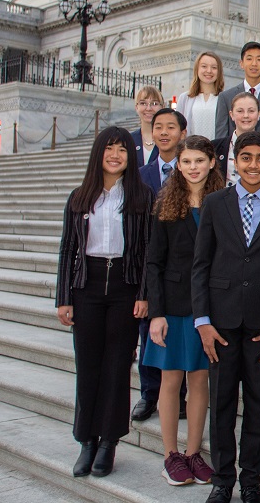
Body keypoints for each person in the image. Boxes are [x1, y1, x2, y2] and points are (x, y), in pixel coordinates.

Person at [191, 131, 260, 503]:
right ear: (234, 161)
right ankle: (223, 480)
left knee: (257, 403)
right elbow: (200, 265)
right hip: (220, 323)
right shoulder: (215, 204)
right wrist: (202, 321)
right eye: (247, 157)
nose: (254, 165)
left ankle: (251, 480)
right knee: (220, 403)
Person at [56, 127, 153, 478]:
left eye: (122, 150)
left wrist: (143, 294)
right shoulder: (80, 197)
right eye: (109, 148)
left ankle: (110, 441)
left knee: (116, 366)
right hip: (88, 286)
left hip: (125, 287)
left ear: (131, 157)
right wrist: (64, 298)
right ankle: (87, 439)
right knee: (89, 365)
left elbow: (146, 252)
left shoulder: (141, 198)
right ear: (99, 153)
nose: (115, 155)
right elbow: (68, 248)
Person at [144, 135, 223, 486]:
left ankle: (193, 452)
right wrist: (156, 313)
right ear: (178, 164)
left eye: (199, 161)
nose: (193, 168)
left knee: (201, 379)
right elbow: (153, 262)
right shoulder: (165, 204)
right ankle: (170, 455)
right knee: (171, 379)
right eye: (186, 161)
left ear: (212, 162)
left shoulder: (223, 202)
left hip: (208, 306)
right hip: (173, 307)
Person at [134, 108, 188, 423]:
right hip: (150, 264)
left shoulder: (189, 171)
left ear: (182, 133)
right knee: (149, 331)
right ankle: (148, 393)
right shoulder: (141, 175)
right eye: (158, 127)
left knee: (177, 333)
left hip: (179, 267)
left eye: (171, 127)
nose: (164, 132)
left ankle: (177, 396)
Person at [215, 42, 260, 140]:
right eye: (249, 59)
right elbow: (221, 136)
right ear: (241, 63)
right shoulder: (226, 97)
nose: (254, 64)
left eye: (259, 59)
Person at [213, 92, 260, 185]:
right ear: (231, 115)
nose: (246, 115)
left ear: (259, 114)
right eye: (240, 111)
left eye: (251, 111)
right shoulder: (215, 147)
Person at [177, 52, 224, 140]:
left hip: (216, 150)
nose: (209, 71)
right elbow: (178, 128)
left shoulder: (225, 98)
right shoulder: (185, 98)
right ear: (197, 69)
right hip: (191, 150)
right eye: (204, 66)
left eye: (214, 67)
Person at [131, 85, 164, 166]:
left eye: (154, 103)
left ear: (162, 107)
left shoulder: (168, 139)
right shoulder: (129, 139)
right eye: (143, 103)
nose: (148, 108)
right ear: (136, 107)